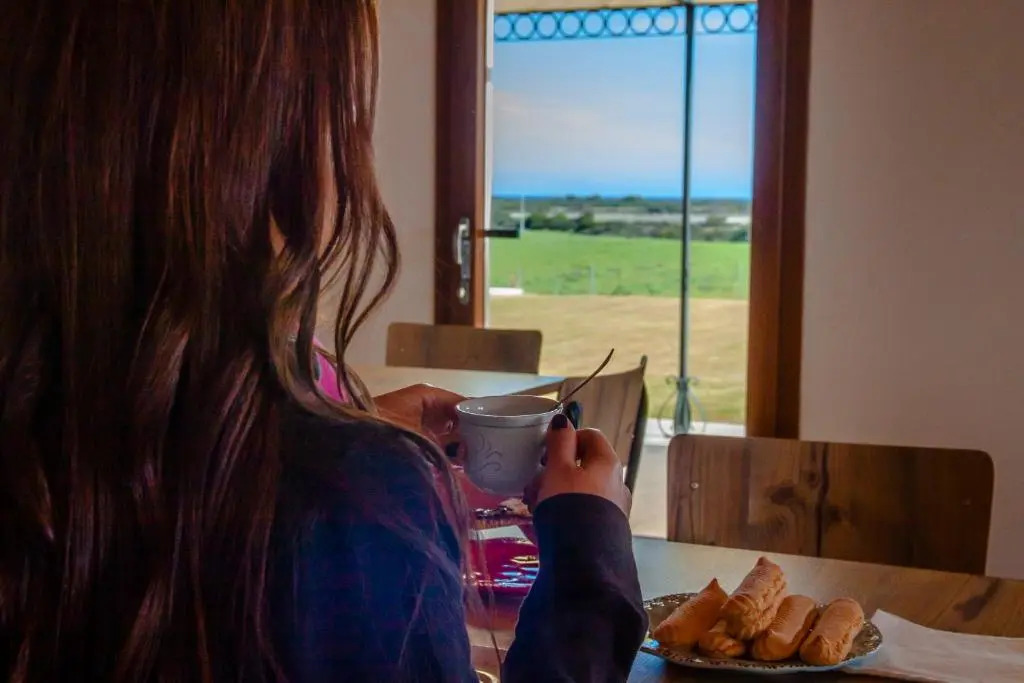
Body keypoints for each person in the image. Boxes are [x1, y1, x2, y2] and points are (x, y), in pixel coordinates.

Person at [0, 2, 647, 681]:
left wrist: (345, 434)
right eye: (347, 109)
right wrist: (590, 552)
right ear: (273, 141)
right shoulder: (351, 504)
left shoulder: (44, 449)